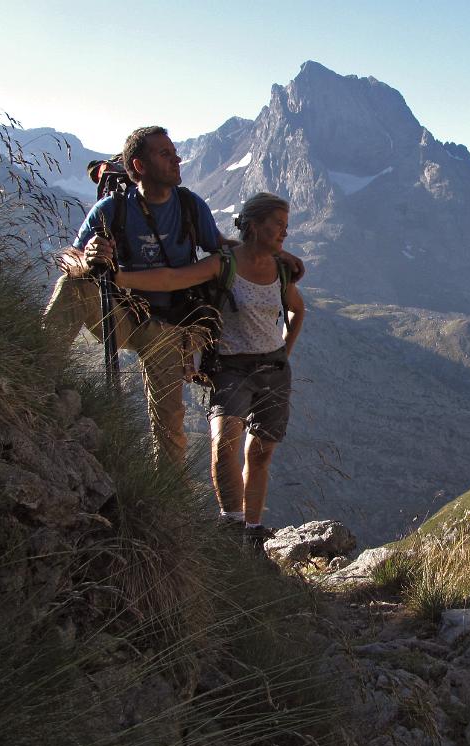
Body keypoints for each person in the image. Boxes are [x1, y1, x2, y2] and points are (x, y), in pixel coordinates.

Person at [44, 126, 303, 468]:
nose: (176, 159)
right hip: (122, 314)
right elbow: (68, 258)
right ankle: (39, 374)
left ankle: (168, 504)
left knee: (168, 424)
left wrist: (267, 252)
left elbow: (220, 246)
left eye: (175, 153)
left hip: (169, 327)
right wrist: (87, 257)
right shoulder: (111, 211)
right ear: (139, 165)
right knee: (73, 286)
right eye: (165, 154)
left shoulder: (189, 206)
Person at [116, 193, 304, 550]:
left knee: (260, 453)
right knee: (224, 442)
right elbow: (174, 278)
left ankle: (252, 532)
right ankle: (231, 527)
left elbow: (296, 310)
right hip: (230, 366)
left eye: (285, 224)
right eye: (278, 223)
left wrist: (285, 352)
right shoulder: (224, 264)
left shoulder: (280, 270)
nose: (284, 231)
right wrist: (120, 277)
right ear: (253, 225)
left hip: (274, 369)